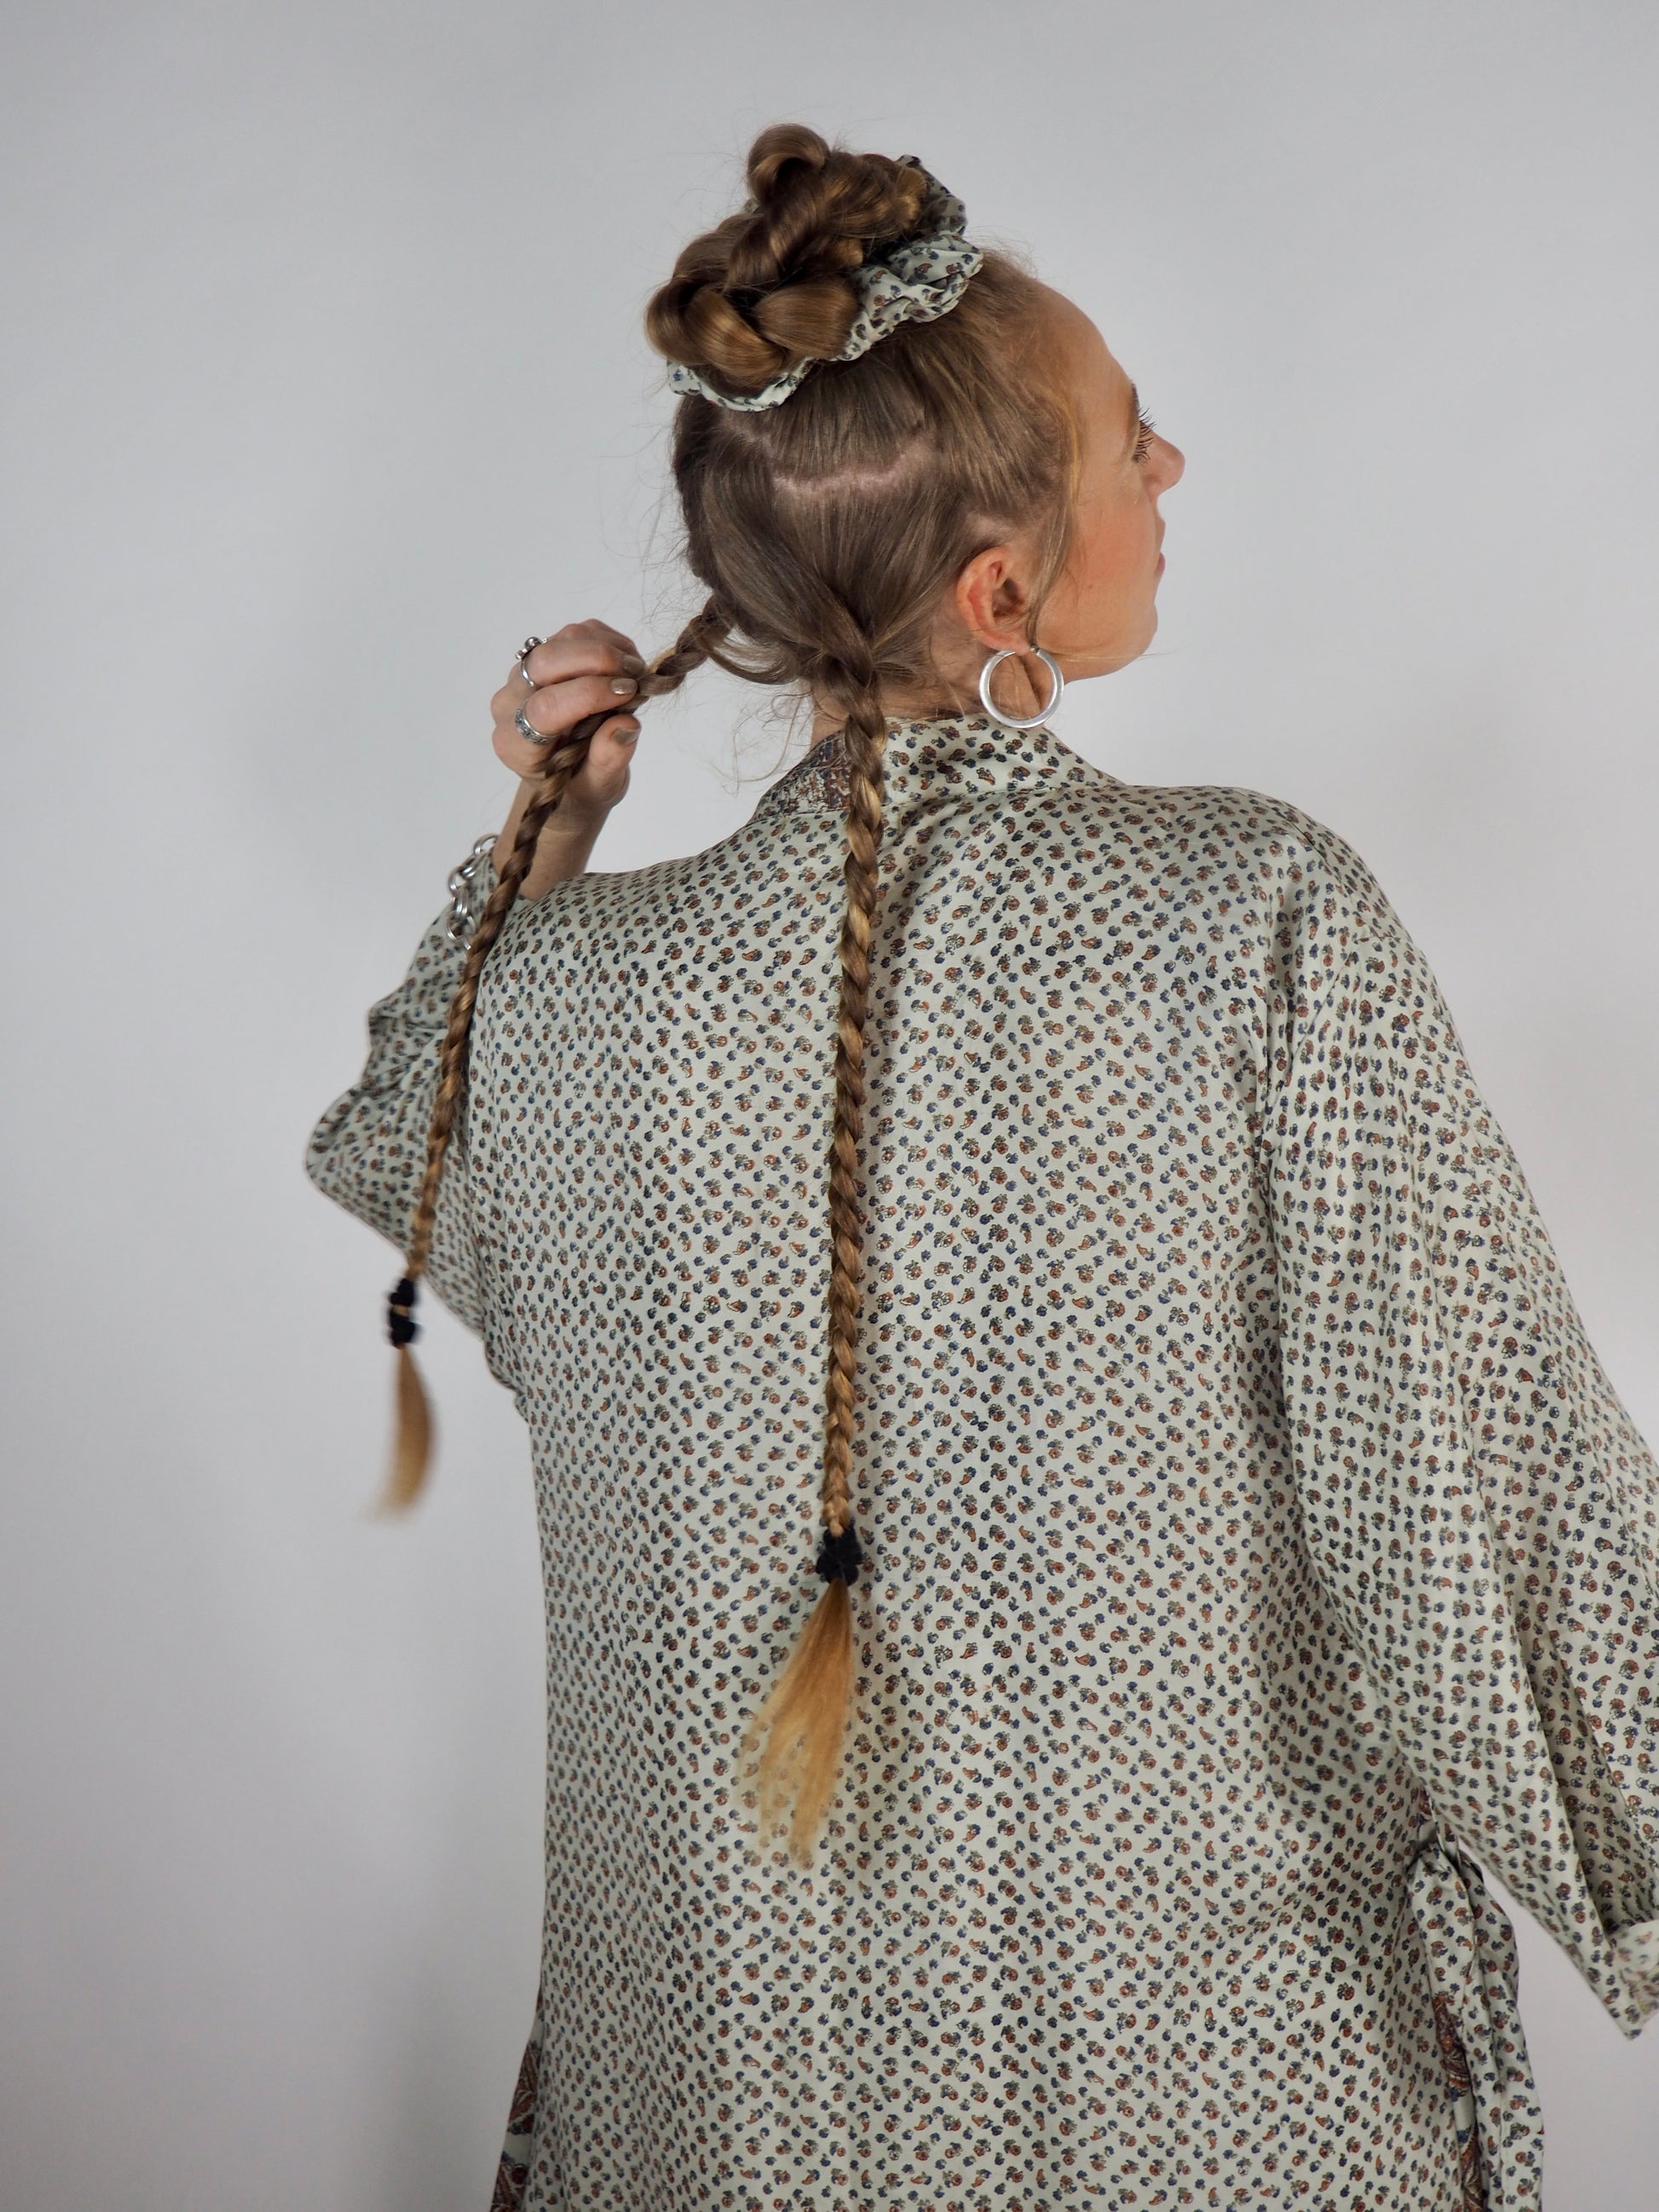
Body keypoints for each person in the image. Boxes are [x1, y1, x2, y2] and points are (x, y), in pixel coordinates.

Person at [303, 123, 1659, 2212]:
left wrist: (543, 852)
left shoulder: (573, 989)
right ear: (1000, 593)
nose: (1173, 468)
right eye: (1131, 441)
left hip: (719, 2103)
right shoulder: (1249, 916)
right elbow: (1472, 1481)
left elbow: (420, 1167)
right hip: (1202, 2100)